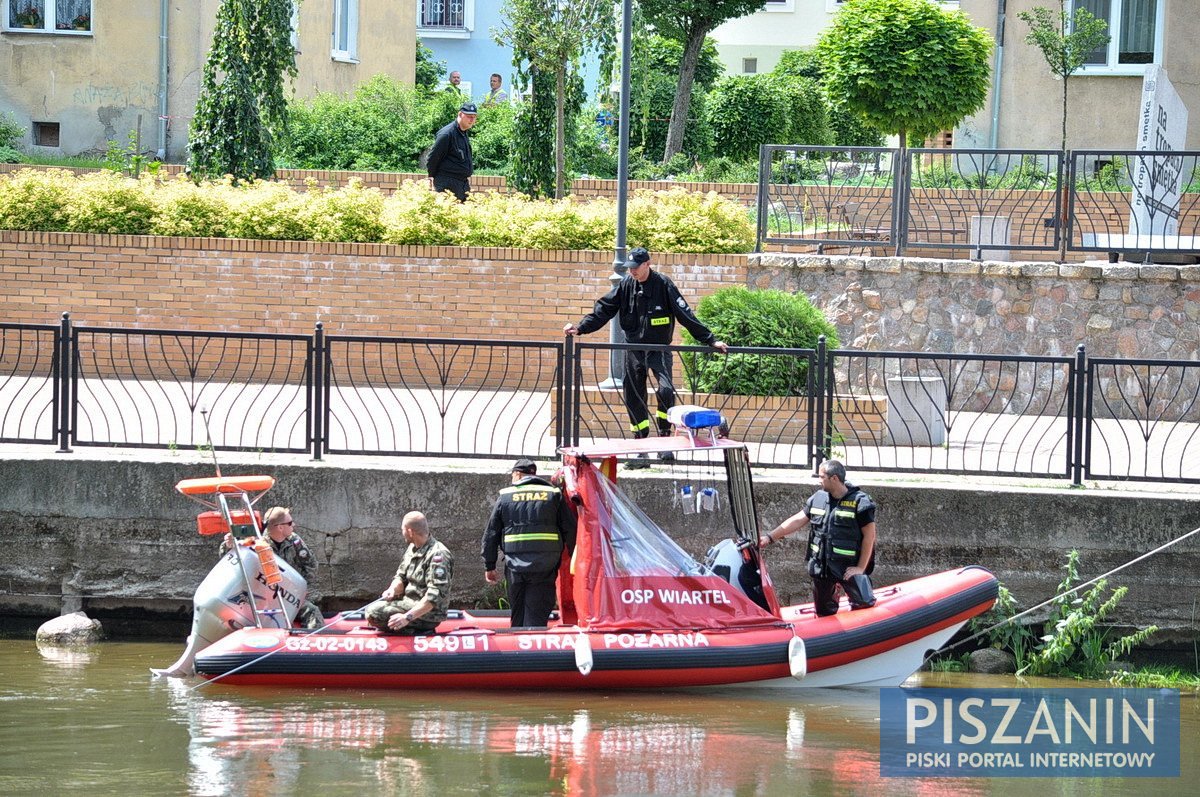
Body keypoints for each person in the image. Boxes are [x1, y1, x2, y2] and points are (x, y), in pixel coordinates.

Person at [563, 247, 729, 467]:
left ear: (647, 264)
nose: (632, 272)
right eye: (629, 268)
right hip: (633, 349)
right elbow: (604, 308)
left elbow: (685, 314)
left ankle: (663, 440)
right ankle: (640, 447)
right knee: (633, 396)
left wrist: (710, 340)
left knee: (666, 390)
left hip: (659, 349)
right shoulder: (626, 285)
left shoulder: (663, 284)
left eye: (636, 268)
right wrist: (581, 328)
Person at [758, 459, 877, 617]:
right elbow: (797, 520)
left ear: (834, 478)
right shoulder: (818, 498)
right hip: (823, 567)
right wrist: (769, 537)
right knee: (824, 612)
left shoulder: (860, 502)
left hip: (849, 567)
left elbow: (870, 537)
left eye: (821, 477)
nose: (819, 480)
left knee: (864, 605)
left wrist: (860, 568)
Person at [481, 458, 576, 627]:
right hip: (545, 566)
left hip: (515, 566)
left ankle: (518, 646)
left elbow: (491, 533)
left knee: (518, 611)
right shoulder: (553, 495)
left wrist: (489, 565)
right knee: (537, 613)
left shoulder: (505, 496)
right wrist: (575, 561)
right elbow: (570, 529)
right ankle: (533, 647)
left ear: (517, 474)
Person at [220, 506, 323, 629]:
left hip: (289, 596)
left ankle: (310, 643)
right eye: (290, 523)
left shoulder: (294, 540)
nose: (293, 525)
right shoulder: (258, 543)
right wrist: (228, 545)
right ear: (280, 527)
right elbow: (232, 557)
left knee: (311, 611)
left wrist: (301, 591)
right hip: (262, 596)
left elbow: (311, 565)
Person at [365, 511, 454, 635]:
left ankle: (411, 631)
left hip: (428, 613)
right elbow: (401, 577)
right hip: (408, 601)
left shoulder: (438, 555)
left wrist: (407, 617)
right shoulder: (412, 549)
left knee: (374, 613)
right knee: (375, 607)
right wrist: (392, 589)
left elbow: (434, 596)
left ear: (410, 532)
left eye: (403, 530)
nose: (402, 533)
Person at [427, 102, 477, 202]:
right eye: (468, 116)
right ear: (460, 114)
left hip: (462, 184)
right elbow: (433, 157)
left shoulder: (463, 132)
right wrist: (432, 177)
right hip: (447, 183)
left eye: (474, 117)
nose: (472, 120)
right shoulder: (447, 133)